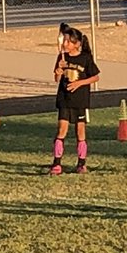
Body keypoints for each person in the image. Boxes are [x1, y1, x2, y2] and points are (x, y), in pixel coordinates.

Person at [50, 25, 99, 174]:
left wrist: (79, 83)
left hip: (80, 100)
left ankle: (81, 163)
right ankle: (57, 164)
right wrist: (58, 71)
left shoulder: (85, 58)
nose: (65, 44)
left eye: (68, 41)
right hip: (64, 99)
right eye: (64, 41)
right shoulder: (62, 57)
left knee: (80, 131)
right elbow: (57, 78)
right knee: (61, 130)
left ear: (77, 44)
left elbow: (95, 77)